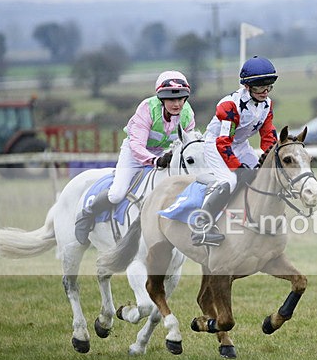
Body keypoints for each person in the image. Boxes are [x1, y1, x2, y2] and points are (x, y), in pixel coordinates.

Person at [74, 70, 195, 245]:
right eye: (171, 99)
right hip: (134, 153)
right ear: (161, 99)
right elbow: (137, 146)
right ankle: (86, 215)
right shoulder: (147, 109)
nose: (176, 104)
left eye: (180, 99)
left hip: (163, 153)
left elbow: (188, 143)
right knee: (116, 194)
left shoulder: (188, 114)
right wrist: (155, 161)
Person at [191, 56, 279, 246]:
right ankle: (201, 226)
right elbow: (223, 143)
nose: (265, 91)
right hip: (215, 145)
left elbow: (268, 135)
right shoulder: (230, 106)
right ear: (247, 86)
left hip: (240, 145)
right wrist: (238, 168)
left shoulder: (267, 105)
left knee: (262, 175)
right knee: (230, 181)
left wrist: (274, 158)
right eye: (260, 86)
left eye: (269, 85)